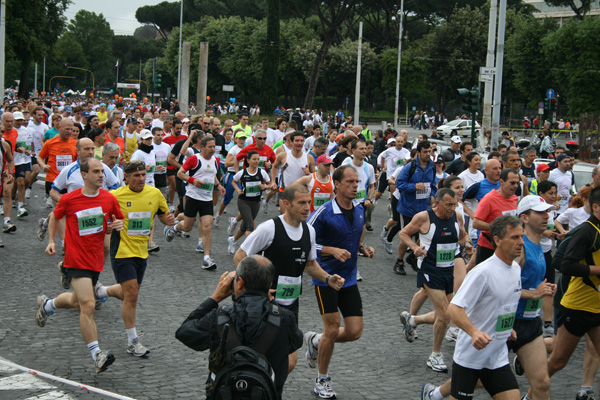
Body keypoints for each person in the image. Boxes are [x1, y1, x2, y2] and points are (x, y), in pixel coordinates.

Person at [233, 184, 345, 374]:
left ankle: (265, 388)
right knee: (259, 356)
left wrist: (327, 278)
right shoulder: (269, 228)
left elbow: (310, 265)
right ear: (286, 204)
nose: (307, 207)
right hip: (262, 303)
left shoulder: (309, 231)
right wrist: (255, 289)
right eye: (301, 203)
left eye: (309, 202)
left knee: (289, 360)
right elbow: (240, 256)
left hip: (290, 304)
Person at [34, 157, 124, 373]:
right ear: (84, 175)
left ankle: (47, 305)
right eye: (96, 172)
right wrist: (52, 242)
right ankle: (97, 355)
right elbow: (55, 217)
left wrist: (116, 225)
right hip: (75, 258)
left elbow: (117, 220)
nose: (101, 175)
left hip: (95, 259)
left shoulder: (108, 199)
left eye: (102, 171)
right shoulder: (70, 198)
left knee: (77, 301)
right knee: (89, 305)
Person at [421, 215, 525, 400]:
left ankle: (434, 394)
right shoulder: (483, 272)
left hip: (497, 357)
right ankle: (433, 395)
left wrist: (506, 328)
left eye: (521, 236)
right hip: (470, 357)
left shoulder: (515, 269)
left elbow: (501, 305)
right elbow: (454, 309)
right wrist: (474, 332)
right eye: (515, 237)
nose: (521, 242)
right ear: (498, 240)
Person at [175, 255, 304, 398]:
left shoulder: (218, 317)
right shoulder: (285, 318)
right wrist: (270, 303)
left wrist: (215, 298)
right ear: (270, 286)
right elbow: (296, 341)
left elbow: (184, 332)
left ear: (240, 283)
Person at [304, 165, 374, 399]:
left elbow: (353, 237)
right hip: (326, 278)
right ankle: (322, 380)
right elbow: (304, 243)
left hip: (350, 278)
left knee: (354, 331)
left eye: (357, 182)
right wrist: (330, 250)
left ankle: (316, 341)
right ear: (337, 184)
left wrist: (363, 248)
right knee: (332, 329)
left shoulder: (360, 210)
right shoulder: (323, 213)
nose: (356, 186)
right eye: (350, 182)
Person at [100, 160, 175, 356]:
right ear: (126, 177)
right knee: (132, 295)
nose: (141, 179)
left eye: (143, 175)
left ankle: (101, 292)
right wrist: (107, 226)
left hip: (142, 252)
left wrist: (167, 220)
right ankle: (132, 341)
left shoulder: (154, 193)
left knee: (128, 294)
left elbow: (161, 215)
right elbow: (102, 219)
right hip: (122, 251)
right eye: (136, 175)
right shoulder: (114, 196)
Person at [398, 188, 471, 373]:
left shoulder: (457, 216)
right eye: (448, 205)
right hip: (429, 270)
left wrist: (468, 244)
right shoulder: (423, 217)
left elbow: (462, 235)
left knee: (449, 313)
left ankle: (413, 320)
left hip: (448, 270)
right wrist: (415, 247)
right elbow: (404, 233)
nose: (452, 208)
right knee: (445, 313)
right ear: (436, 203)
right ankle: (435, 355)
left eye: (454, 204)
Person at [546, 187, 600, 393]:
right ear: (595, 207)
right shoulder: (586, 231)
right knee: (558, 362)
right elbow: (564, 264)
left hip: (597, 306)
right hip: (577, 306)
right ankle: (532, 391)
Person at [509, 196, 557, 400]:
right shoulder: (520, 249)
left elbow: (533, 286)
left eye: (547, 212)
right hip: (507, 322)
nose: (546, 216)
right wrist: (534, 293)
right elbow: (501, 289)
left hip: (530, 322)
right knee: (478, 379)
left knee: (542, 383)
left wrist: (544, 290)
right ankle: (437, 394)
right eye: (540, 212)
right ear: (525, 218)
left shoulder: (540, 247)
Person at [164, 136, 225, 269]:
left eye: (214, 146)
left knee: (207, 227)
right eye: (210, 147)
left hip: (207, 199)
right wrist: (193, 181)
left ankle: (207, 259)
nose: (213, 149)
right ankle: (174, 228)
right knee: (187, 227)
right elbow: (180, 173)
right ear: (202, 147)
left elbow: (213, 175)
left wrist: (219, 185)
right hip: (193, 197)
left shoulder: (216, 160)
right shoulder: (194, 159)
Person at [393, 140, 436, 274]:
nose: (428, 154)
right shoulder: (410, 167)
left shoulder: (432, 166)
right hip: (408, 208)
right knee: (407, 235)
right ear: (418, 153)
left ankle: (412, 257)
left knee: (423, 234)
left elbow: (433, 184)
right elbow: (399, 184)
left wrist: (432, 195)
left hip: (423, 207)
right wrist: (414, 187)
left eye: (430, 151)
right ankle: (399, 261)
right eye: (425, 152)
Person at [226, 150, 271, 254]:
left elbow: (270, 184)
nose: (257, 161)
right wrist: (238, 190)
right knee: (250, 226)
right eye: (254, 159)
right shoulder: (243, 172)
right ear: (248, 160)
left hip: (256, 202)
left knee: (244, 226)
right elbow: (234, 181)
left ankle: (233, 240)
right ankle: (249, 252)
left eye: (258, 159)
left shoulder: (262, 172)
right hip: (243, 201)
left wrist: (265, 186)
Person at [473, 169, 519, 264]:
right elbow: (476, 223)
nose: (515, 186)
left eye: (517, 183)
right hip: (488, 246)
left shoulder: (514, 198)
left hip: (507, 246)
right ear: (502, 182)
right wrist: (498, 227)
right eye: (512, 183)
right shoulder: (489, 199)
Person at [37, 118, 78, 208]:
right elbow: (40, 157)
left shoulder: (75, 143)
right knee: (61, 207)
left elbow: (77, 162)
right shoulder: (50, 142)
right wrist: (43, 165)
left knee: (62, 209)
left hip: (68, 180)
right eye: (67, 129)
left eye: (71, 129)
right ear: (60, 128)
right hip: (53, 179)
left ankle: (47, 221)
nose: (69, 131)